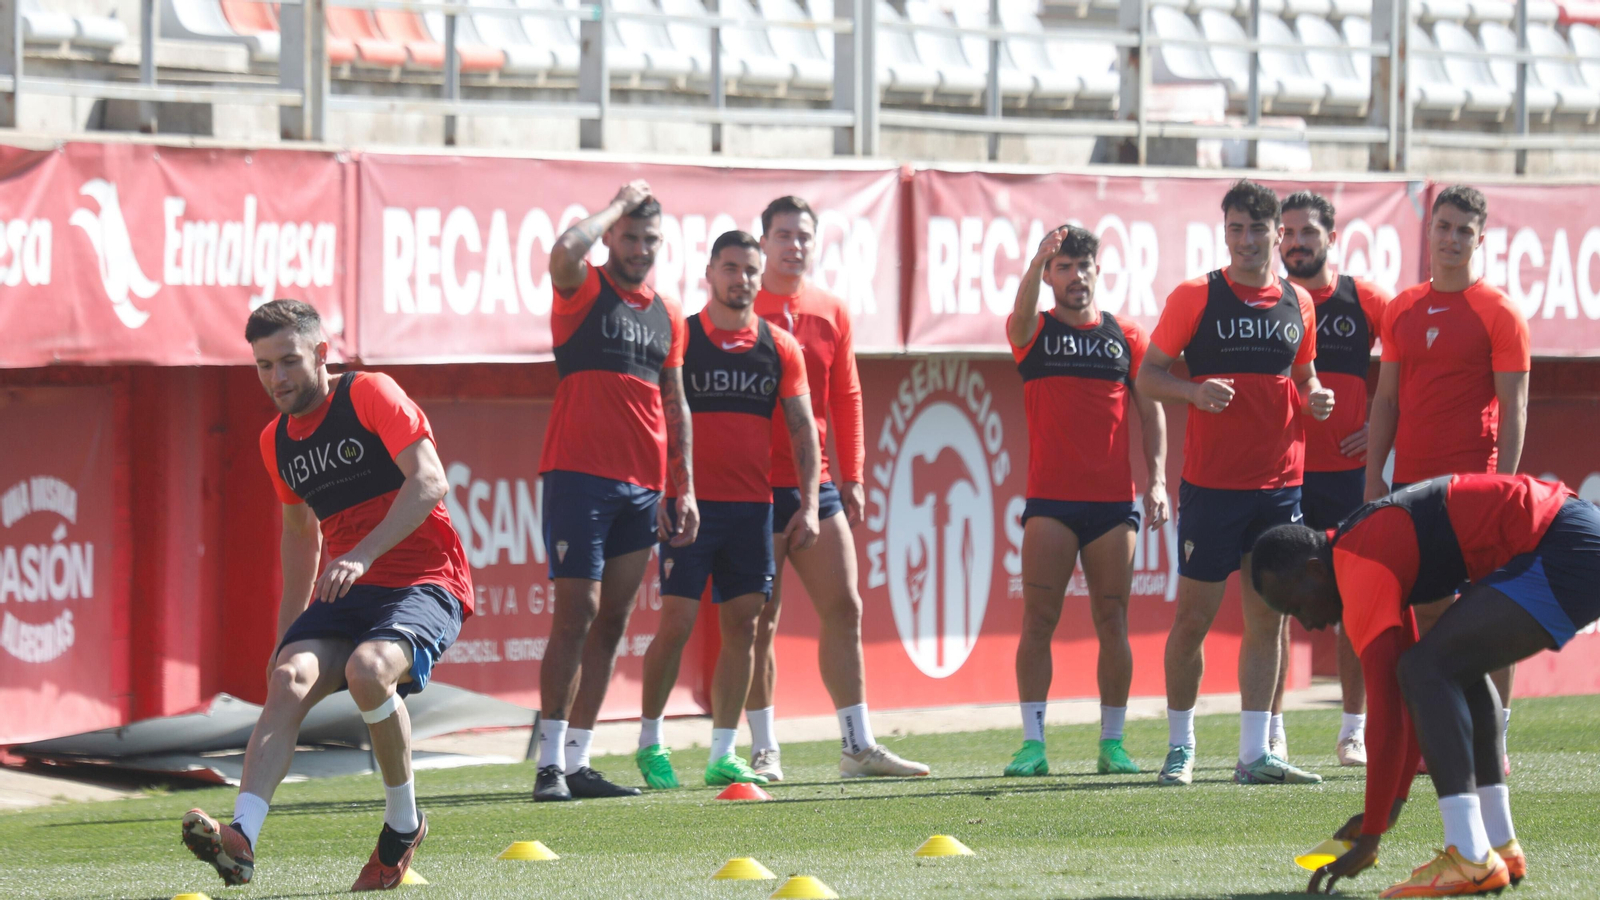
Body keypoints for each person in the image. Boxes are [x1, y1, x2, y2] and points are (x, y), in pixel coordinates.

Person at [182, 300, 473, 891]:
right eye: (264, 366)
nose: (277, 378)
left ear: (321, 353)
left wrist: (363, 552)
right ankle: (241, 839)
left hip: (424, 578)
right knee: (286, 680)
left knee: (370, 671)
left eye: (288, 361)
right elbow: (298, 536)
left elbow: (430, 481)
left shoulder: (370, 393)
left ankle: (402, 824)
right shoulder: (275, 440)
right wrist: (288, 632)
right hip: (346, 591)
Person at [1251, 473, 1600, 897]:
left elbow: (1388, 711)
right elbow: (1414, 699)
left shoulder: (1356, 563)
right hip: (1572, 537)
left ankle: (1470, 858)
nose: (1308, 623)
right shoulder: (1356, 549)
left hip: (1567, 548)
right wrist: (1387, 810)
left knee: (1429, 668)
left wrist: (1374, 833)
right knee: (1452, 670)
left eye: (1296, 606)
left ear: (1313, 571)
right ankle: (1498, 846)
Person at [1134, 180, 1334, 787]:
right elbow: (1148, 378)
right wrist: (1193, 391)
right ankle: (1180, 746)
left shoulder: (1298, 302)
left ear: (1279, 234)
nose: (1247, 242)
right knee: (1192, 619)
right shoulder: (1195, 296)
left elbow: (1305, 376)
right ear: (1225, 235)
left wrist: (1315, 397)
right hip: (1212, 487)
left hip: (1280, 489)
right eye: (1236, 231)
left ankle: (1254, 754)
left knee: (1268, 620)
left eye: (1258, 230)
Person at [744, 195, 929, 780]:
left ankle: (857, 745)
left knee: (845, 606)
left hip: (817, 484)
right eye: (782, 235)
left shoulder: (830, 310)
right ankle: (764, 749)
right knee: (758, 619)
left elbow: (846, 396)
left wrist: (852, 476)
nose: (793, 245)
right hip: (753, 487)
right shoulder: (739, 308)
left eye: (803, 235)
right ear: (763, 241)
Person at [634, 231, 821, 789]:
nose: (741, 278)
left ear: (761, 279)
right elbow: (653, 417)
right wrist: (667, 492)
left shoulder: (781, 346)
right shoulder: (681, 337)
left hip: (752, 510)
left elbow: (803, 430)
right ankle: (650, 743)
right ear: (710, 271)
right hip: (689, 509)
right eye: (731, 267)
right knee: (677, 624)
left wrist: (809, 503)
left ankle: (723, 751)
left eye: (750, 270)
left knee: (745, 625)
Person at [534, 180, 697, 802]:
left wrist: (684, 488)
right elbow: (564, 249)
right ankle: (548, 765)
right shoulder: (583, 288)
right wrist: (615, 205)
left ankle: (578, 761)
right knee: (575, 616)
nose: (639, 247)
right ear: (612, 237)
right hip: (578, 476)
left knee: (613, 624)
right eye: (629, 236)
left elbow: (675, 402)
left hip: (644, 486)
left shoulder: (670, 313)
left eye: (649, 238)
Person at [1362, 185, 1530, 762]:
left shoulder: (1500, 311)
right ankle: (1446, 728)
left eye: (1464, 230)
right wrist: (1373, 478)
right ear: (1428, 232)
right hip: (1412, 489)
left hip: (1475, 490)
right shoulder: (1401, 308)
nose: (1452, 239)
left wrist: (1505, 487)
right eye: (1443, 227)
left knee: (1488, 614)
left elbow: (1515, 408)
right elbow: (1385, 401)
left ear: (1480, 239)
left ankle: (1494, 734)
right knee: (1428, 611)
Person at [1002, 224, 1168, 778]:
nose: (1076, 276)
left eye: (1083, 266)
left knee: (1113, 620)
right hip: (1050, 504)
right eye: (1064, 267)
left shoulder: (1128, 337)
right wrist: (1033, 262)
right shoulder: (1034, 332)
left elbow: (1152, 411)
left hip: (1112, 508)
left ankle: (1113, 743)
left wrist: (1159, 479)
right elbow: (1019, 318)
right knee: (1038, 620)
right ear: (1049, 277)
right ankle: (1032, 744)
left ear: (1098, 271)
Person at [1279, 191, 1393, 767]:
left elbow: (1415, 373)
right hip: (1283, 477)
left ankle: (1354, 730)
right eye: (1288, 233)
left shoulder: (1367, 300)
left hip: (1350, 481)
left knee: (1357, 607)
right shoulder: (1268, 301)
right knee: (1273, 604)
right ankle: (1269, 732)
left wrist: (1380, 428)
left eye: (1308, 233)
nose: (1296, 243)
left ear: (1331, 237)